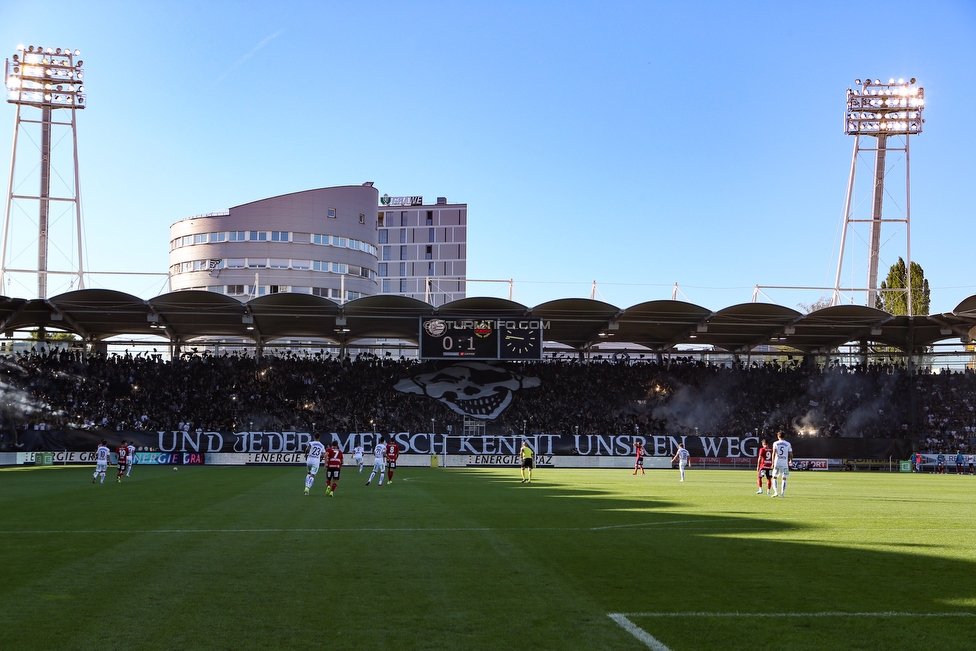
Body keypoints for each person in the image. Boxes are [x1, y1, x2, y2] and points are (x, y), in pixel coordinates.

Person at [771, 431, 793, 497]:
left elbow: (774, 453)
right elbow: (791, 453)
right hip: (785, 464)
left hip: (777, 463)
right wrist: (791, 460)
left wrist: (772, 463)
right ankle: (782, 494)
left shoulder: (775, 443)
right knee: (784, 478)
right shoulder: (788, 444)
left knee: (774, 477)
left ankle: (775, 492)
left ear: (778, 436)